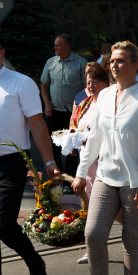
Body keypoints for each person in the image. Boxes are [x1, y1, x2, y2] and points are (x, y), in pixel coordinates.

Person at [71, 41, 138, 275]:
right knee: (93, 235)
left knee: (132, 240)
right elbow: (94, 138)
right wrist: (81, 172)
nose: (114, 65)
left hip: (136, 181)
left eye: (120, 60)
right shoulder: (104, 95)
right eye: (112, 60)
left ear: (135, 64)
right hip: (105, 176)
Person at [0, 36, 60, 275]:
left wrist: (49, 162)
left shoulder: (20, 82)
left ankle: (35, 262)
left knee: (2, 225)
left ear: (3, 52)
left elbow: (36, 124)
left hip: (11, 163)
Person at [69, 63, 114, 265]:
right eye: (88, 80)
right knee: (88, 207)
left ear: (106, 82)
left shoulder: (110, 103)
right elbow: (75, 125)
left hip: (105, 163)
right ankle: (92, 249)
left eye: (96, 80)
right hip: (86, 164)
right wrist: (71, 139)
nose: (91, 84)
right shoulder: (85, 103)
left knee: (103, 210)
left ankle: (131, 238)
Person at [40, 33, 87, 173]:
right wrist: (47, 104)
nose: (55, 47)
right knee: (53, 146)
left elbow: (87, 87)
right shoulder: (51, 62)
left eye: (58, 45)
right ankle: (58, 176)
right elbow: (43, 85)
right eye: (55, 44)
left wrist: (82, 108)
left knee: (72, 146)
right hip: (54, 111)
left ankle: (70, 179)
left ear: (67, 47)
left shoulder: (81, 63)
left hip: (73, 113)